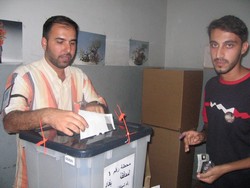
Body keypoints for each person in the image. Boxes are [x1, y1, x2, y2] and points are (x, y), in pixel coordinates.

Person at [1, 15, 107, 188]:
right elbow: (9, 122)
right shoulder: (24, 76)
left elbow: (100, 105)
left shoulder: (79, 76)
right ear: (44, 42)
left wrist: (97, 107)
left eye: (72, 42)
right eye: (60, 41)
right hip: (34, 176)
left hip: (72, 174)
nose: (68, 49)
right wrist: (47, 115)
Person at [181, 15, 250, 188]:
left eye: (229, 45)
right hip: (213, 177)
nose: (219, 54)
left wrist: (224, 169)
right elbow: (210, 127)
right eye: (214, 45)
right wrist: (200, 136)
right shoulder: (211, 85)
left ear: (244, 48)